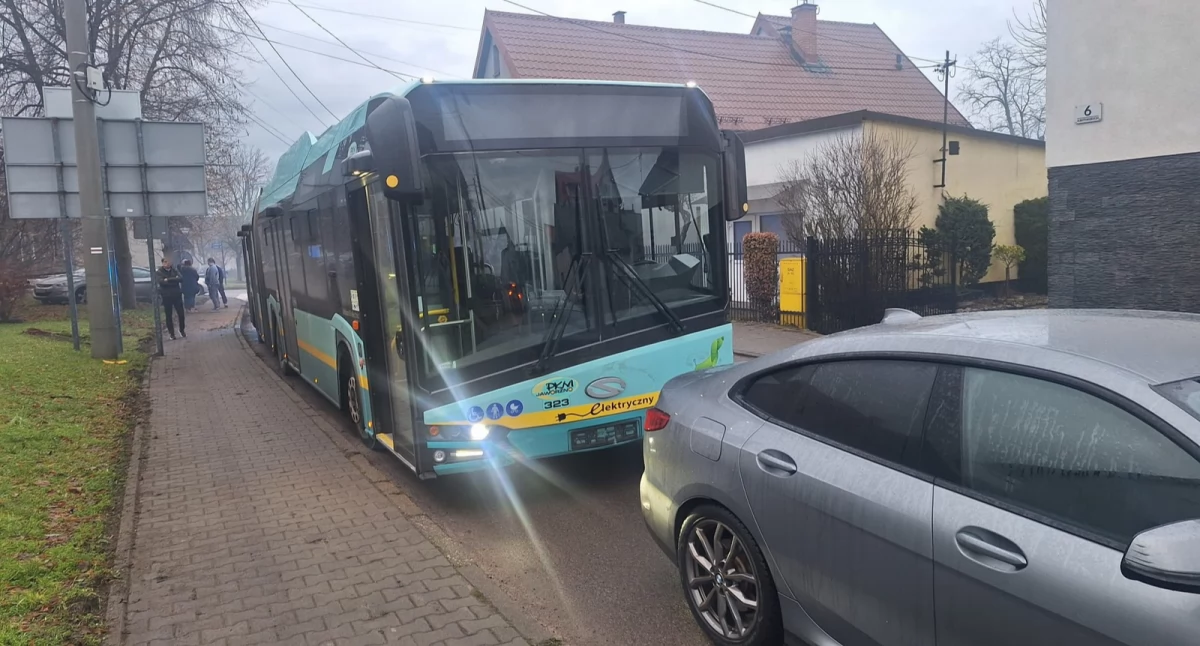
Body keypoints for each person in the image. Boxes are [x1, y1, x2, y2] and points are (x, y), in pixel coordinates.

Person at [156, 257, 186, 339]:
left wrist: (168, 280)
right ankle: (171, 333)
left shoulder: (174, 270)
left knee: (181, 314)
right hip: (167, 296)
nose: (167, 263)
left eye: (169, 262)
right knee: (168, 315)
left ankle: (182, 330)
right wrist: (174, 280)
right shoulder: (159, 272)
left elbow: (181, 278)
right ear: (162, 263)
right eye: (165, 262)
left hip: (177, 295)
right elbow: (161, 282)